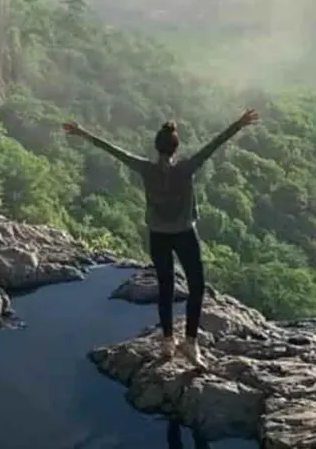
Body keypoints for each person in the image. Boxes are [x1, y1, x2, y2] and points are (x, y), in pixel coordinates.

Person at [62, 109, 260, 367]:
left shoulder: (145, 168)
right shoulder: (187, 167)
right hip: (184, 233)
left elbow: (114, 150)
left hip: (158, 235)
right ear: (176, 148)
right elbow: (214, 144)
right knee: (196, 286)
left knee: (166, 287)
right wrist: (239, 124)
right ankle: (190, 343)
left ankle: (168, 342)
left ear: (157, 148)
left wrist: (82, 132)